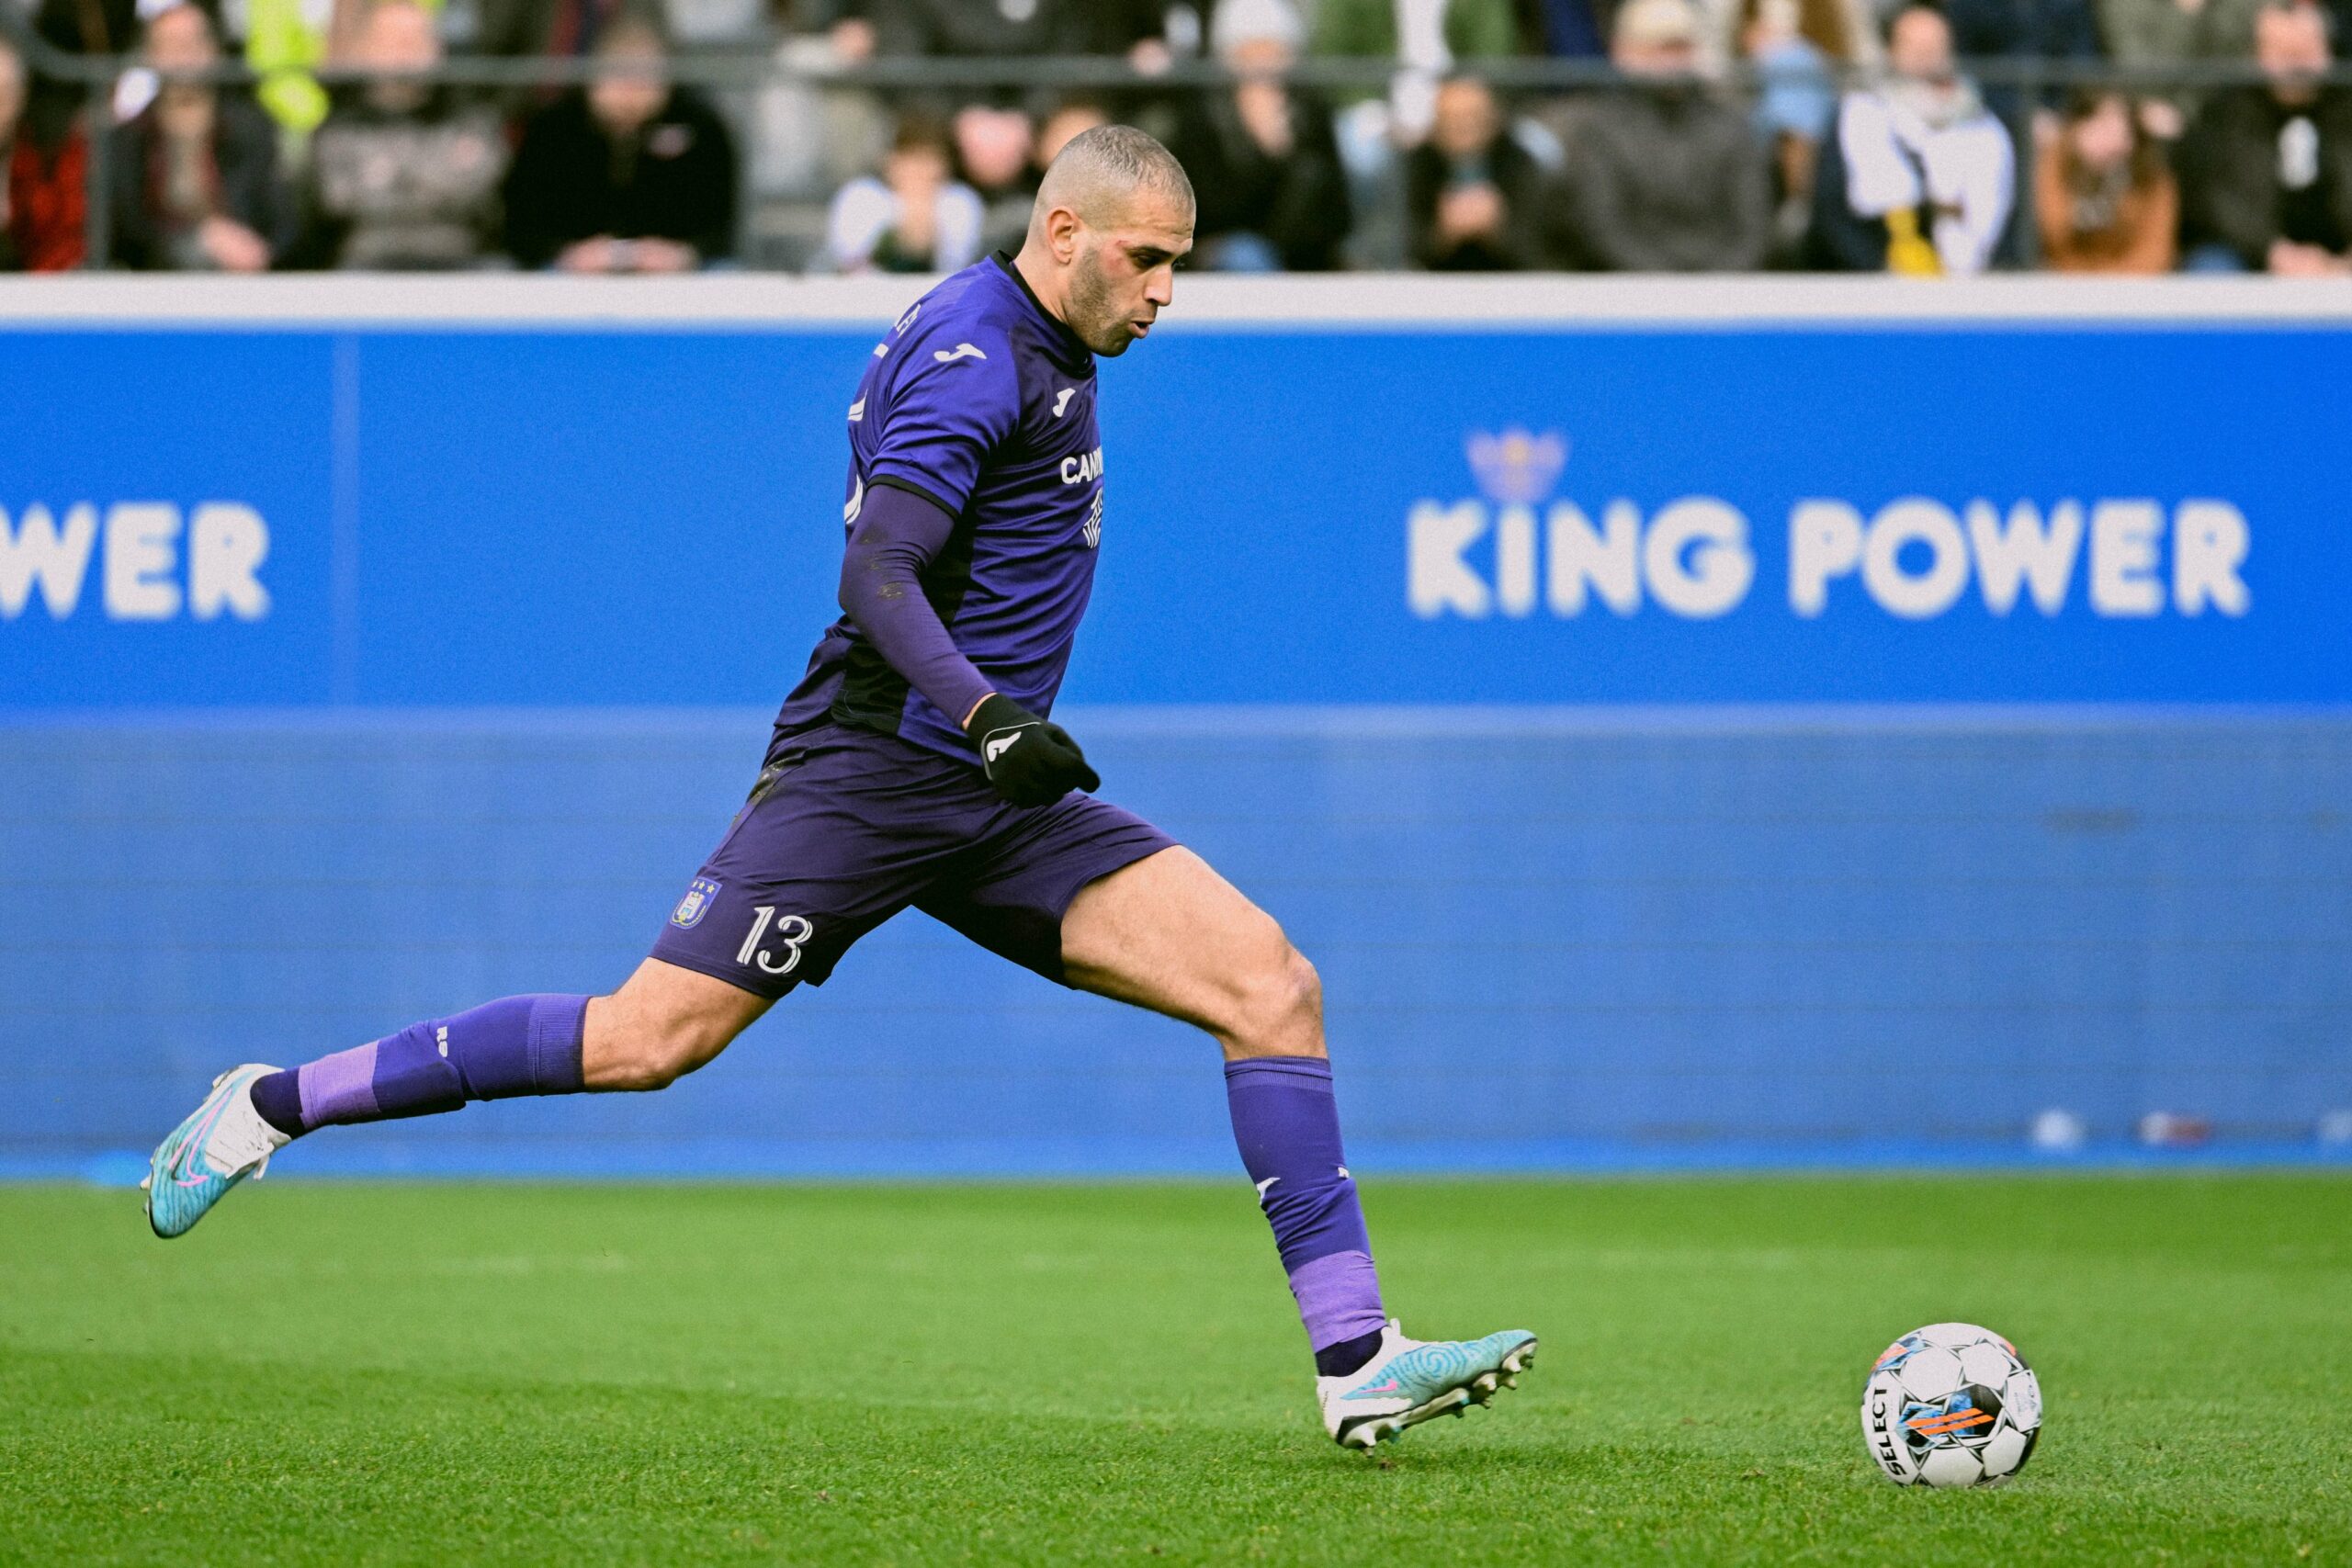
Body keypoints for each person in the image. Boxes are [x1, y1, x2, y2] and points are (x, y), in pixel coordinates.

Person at [141, 124, 1539, 1452]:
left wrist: (996, 739)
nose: (1168, 290)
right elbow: (874, 576)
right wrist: (989, 712)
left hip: (995, 792)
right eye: (1146, 258)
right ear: (1064, 231)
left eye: (1180, 261)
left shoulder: (1050, 334)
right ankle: (269, 1102)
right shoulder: (976, 356)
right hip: (876, 770)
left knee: (1269, 982)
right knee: (645, 1039)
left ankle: (1356, 1360)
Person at [503, 15, 739, 272]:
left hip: (682, 271)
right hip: (567, 269)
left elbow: (724, 223)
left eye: (644, 76)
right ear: (595, 74)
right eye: (620, 74)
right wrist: (565, 253)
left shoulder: (700, 128)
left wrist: (686, 253)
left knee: (726, 275)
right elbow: (520, 223)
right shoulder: (553, 129)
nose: (631, 90)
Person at [1554, 0, 1772, 271]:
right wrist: (1664, 286)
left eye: (1681, 47)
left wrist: (1717, 284)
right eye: (1660, 48)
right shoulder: (1598, 132)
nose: (1672, 61)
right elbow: (1603, 228)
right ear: (1625, 51)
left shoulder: (1731, 127)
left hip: (1724, 291)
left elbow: (1752, 227)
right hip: (1633, 293)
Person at [292, 0, 507, 269]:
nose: (406, 53)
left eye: (416, 40)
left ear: (438, 48)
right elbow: (337, 201)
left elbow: (482, 192)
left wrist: (389, 176)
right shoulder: (340, 126)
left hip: (463, 259)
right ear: (364, 50)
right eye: (393, 41)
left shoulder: (470, 118)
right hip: (368, 263)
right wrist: (437, 176)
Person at [1809, 3, 2015, 274]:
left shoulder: (1984, 129)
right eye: (1914, 46)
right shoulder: (1859, 114)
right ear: (1890, 51)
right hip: (1875, 282)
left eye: (1934, 46)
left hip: (1965, 288)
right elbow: (1832, 210)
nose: (1925, 57)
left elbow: (2006, 221)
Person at [1165, 0, 1352, 269]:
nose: (1266, 66)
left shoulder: (1312, 113)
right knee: (1246, 255)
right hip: (1227, 251)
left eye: (1276, 51)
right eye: (1253, 53)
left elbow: (1335, 213)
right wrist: (1260, 153)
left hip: (1299, 248)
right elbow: (1206, 214)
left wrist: (1283, 155)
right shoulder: (1203, 117)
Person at [107, 5, 290, 272]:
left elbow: (281, 221)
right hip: (156, 281)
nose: (183, 56)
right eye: (170, 45)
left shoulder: (253, 128)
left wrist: (251, 248)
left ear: (214, 50)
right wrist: (200, 236)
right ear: (149, 55)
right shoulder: (127, 139)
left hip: (246, 280)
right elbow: (124, 230)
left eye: (192, 43)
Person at [2177, 0, 2352, 274]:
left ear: (2329, 52)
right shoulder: (2226, 113)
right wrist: (2272, 251)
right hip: (2250, 252)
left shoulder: (2346, 107)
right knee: (2211, 270)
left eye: (2306, 52)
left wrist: (2342, 262)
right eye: (2283, 53)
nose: (2297, 67)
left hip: (2340, 254)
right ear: (2256, 54)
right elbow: (2213, 201)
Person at [1404, 71, 1544, 268]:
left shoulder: (1520, 165)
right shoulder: (1416, 166)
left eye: (1472, 118)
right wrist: (1441, 235)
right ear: (1436, 125)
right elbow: (1396, 246)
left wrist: (1499, 229)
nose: (1463, 128)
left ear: (1493, 120)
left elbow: (1545, 248)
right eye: (1452, 120)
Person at [2034, 88, 2177, 272]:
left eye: (2122, 130)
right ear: (2077, 127)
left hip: (2130, 289)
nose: (2112, 141)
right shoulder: (2055, 163)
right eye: (2101, 127)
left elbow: (2155, 251)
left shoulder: (2149, 176)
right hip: (2064, 284)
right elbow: (2053, 233)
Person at [823, 111, 985, 272]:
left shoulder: (960, 201)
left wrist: (928, 237)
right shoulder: (860, 196)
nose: (919, 170)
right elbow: (850, 264)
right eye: (911, 158)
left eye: (929, 160)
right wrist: (897, 239)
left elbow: (956, 267)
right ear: (890, 160)